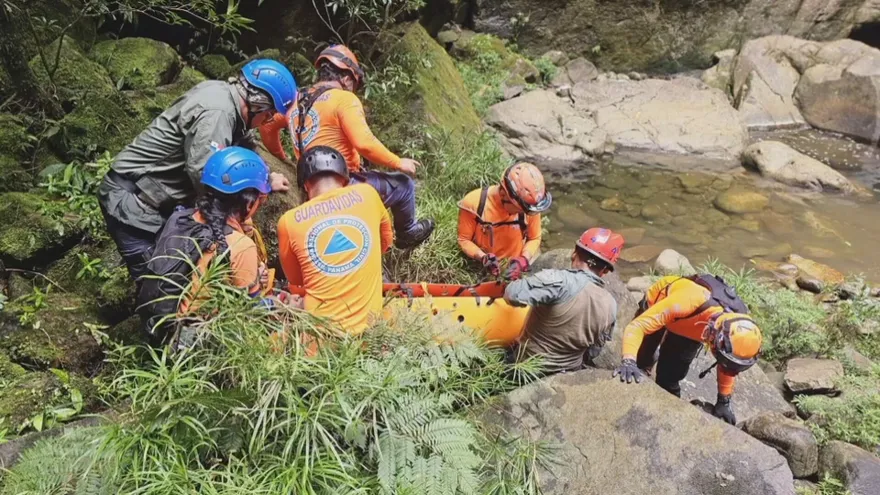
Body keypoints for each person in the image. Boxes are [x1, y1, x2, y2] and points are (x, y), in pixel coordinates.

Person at [99, 59, 298, 280]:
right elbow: (206, 176)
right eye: (269, 115)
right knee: (162, 284)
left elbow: (244, 144)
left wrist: (265, 177)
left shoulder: (227, 97)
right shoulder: (218, 114)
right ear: (257, 104)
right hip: (135, 206)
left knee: (183, 272)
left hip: (153, 199)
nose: (266, 121)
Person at [260, 44, 434, 249]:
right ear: (347, 78)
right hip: (343, 183)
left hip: (309, 186)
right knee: (404, 185)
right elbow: (364, 143)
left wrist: (282, 158)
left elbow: (268, 126)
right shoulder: (344, 98)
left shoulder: (295, 101)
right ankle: (407, 234)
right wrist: (398, 162)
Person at [137, 147, 294, 344]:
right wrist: (279, 303)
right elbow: (251, 310)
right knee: (285, 332)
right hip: (196, 342)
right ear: (248, 203)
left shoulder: (182, 217)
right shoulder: (240, 245)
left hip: (165, 327)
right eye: (260, 200)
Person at [612, 274, 764, 425]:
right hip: (663, 303)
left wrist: (723, 400)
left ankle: (667, 414)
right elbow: (638, 326)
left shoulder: (738, 329)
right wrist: (628, 360)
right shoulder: (690, 300)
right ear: (714, 336)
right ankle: (647, 362)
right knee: (640, 359)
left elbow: (728, 365)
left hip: (690, 326)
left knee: (670, 377)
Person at [276, 146, 393, 335]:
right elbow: (386, 240)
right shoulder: (368, 194)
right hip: (371, 332)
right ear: (344, 178)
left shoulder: (288, 222)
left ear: (305, 185)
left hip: (319, 337)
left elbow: (297, 280)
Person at [504, 228, 622, 375]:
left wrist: (513, 278)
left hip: (525, 368)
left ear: (574, 253)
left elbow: (512, 294)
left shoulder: (558, 280)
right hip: (569, 373)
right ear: (605, 270)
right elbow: (594, 350)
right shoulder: (611, 305)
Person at [458, 162, 551, 280]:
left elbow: (534, 238)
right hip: (481, 268)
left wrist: (523, 259)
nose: (525, 213)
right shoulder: (474, 203)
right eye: (520, 209)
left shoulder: (529, 205)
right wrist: (483, 257)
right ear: (504, 195)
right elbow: (464, 240)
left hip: (514, 270)